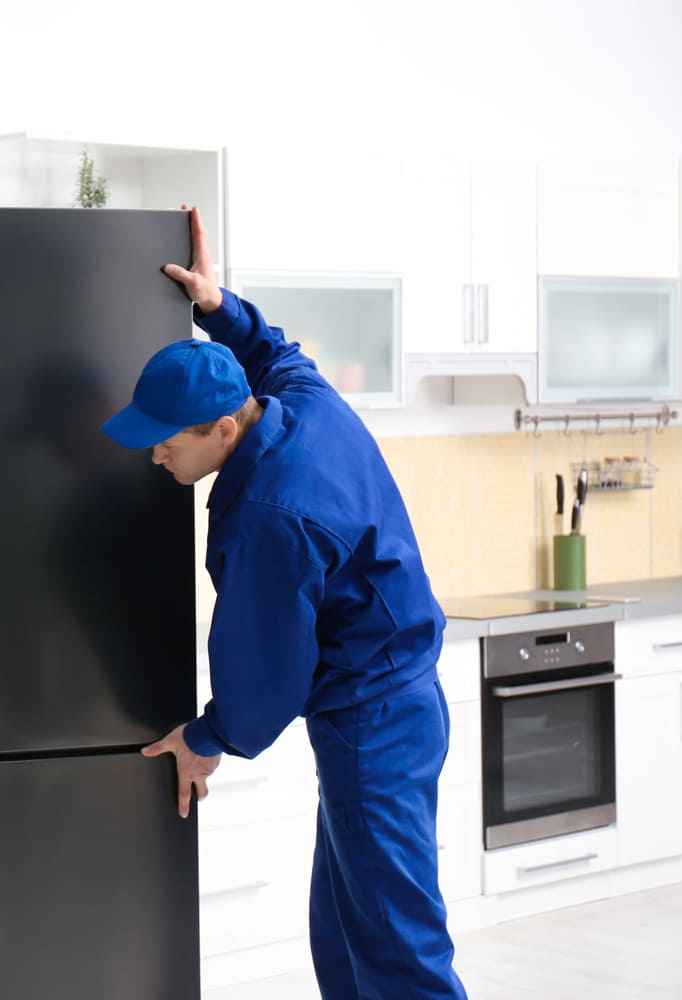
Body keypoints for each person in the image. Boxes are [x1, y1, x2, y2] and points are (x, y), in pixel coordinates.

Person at [105, 207, 466, 999]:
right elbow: (278, 355)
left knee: (398, 950)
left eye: (168, 441)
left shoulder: (273, 516)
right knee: (346, 935)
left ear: (222, 429)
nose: (156, 455)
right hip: (389, 702)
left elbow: (268, 671)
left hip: (374, 721)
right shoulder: (301, 402)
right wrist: (218, 307)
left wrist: (208, 735)